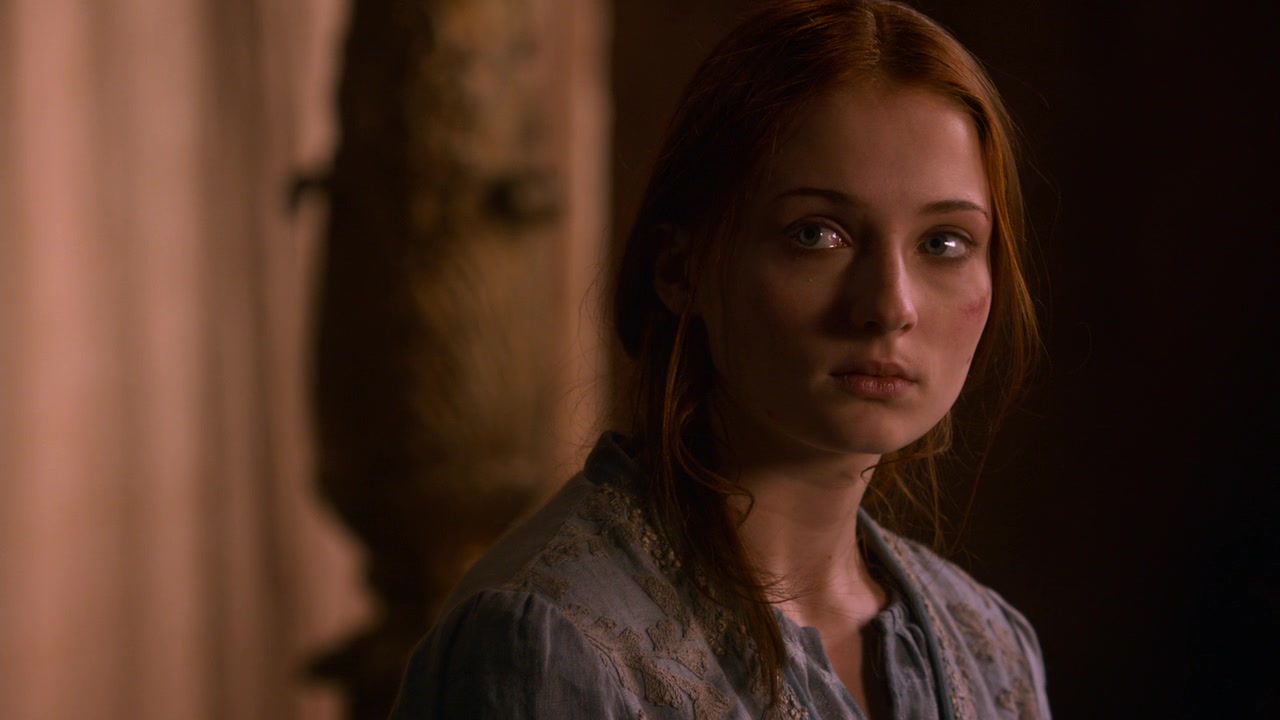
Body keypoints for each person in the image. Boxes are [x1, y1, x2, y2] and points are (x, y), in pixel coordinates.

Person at [390, 0, 1049, 717]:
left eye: (944, 242)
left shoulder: (992, 648)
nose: (890, 305)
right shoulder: (549, 643)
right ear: (681, 268)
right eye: (816, 234)